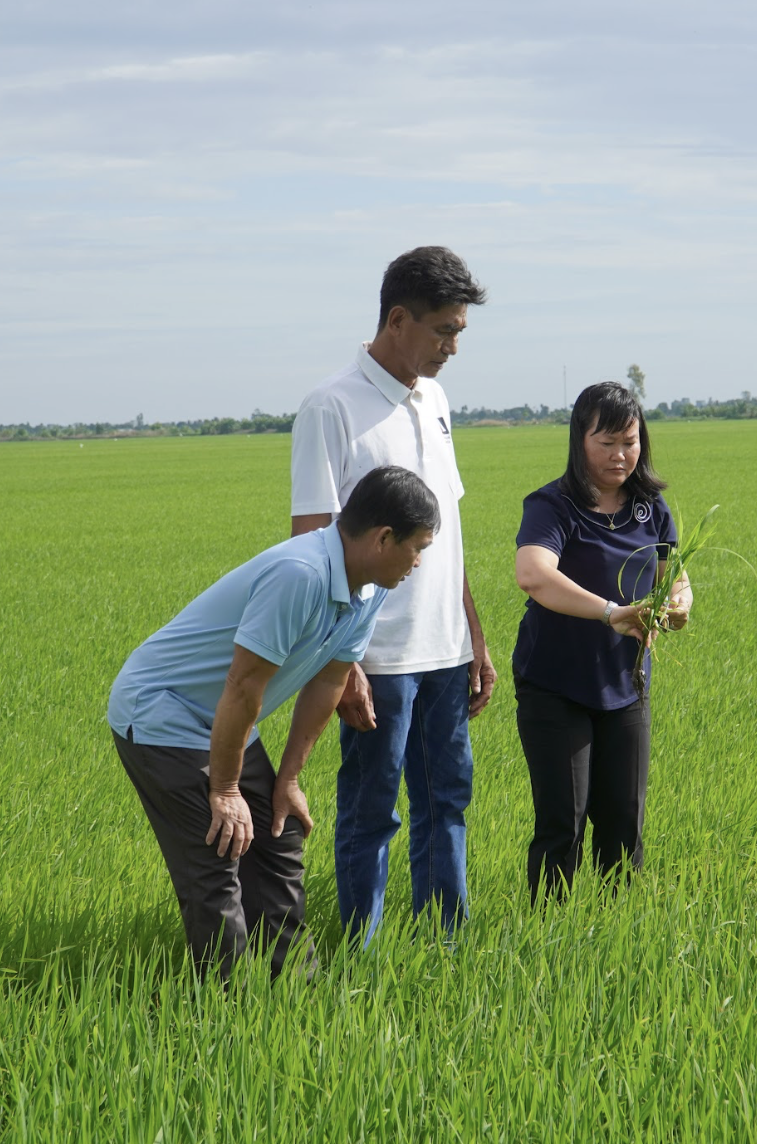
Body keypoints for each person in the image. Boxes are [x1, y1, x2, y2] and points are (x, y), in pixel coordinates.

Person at [108, 466, 439, 980]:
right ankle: (227, 1011)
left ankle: (297, 991)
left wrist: (287, 780)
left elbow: (330, 680)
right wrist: (224, 789)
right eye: (418, 547)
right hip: (161, 713)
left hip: (223, 715)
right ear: (383, 538)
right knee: (219, 856)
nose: (418, 563)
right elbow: (242, 685)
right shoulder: (301, 574)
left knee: (279, 838)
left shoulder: (370, 588)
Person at [289, 246, 492, 941]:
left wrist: (475, 638)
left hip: (444, 650)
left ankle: (445, 940)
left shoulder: (434, 400)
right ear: (397, 319)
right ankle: (361, 952)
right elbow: (312, 548)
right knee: (373, 809)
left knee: (448, 802)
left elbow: (447, 529)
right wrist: (337, 664)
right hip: (373, 657)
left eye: (460, 332)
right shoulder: (330, 407)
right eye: (444, 330)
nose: (453, 347)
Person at [511, 381, 693, 900]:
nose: (620, 455)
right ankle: (549, 937)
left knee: (623, 825)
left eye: (629, 442)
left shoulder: (649, 507)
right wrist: (612, 612)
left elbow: (673, 577)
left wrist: (679, 605)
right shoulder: (553, 506)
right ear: (579, 440)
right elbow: (534, 575)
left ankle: (616, 934)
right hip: (556, 685)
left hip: (626, 685)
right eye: (606, 442)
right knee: (562, 825)